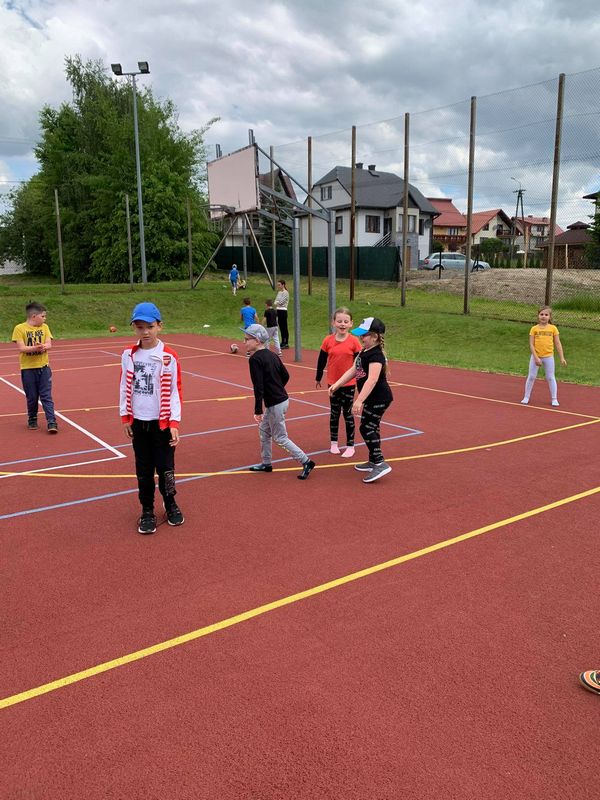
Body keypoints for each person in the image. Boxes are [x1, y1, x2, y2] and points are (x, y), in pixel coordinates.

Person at [119, 302, 184, 535]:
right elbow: (123, 386)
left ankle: (170, 502)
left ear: (159, 326)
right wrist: (125, 417)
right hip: (139, 422)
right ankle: (147, 509)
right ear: (134, 328)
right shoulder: (129, 355)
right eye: (140, 327)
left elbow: (175, 391)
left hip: (162, 423)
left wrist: (174, 422)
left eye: (150, 326)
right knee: (144, 470)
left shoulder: (168, 356)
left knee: (166, 468)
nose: (145, 332)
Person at [244, 323, 315, 480]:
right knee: (264, 431)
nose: (244, 342)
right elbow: (286, 375)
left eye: (247, 339)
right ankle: (266, 463)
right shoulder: (273, 355)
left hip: (275, 403)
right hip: (281, 400)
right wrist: (277, 388)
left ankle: (306, 461)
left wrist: (257, 410)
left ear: (257, 341)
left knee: (280, 437)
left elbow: (258, 387)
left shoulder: (255, 359)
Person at [329, 317, 393, 484]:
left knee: (366, 428)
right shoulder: (364, 351)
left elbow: (372, 380)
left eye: (364, 335)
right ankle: (373, 460)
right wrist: (337, 384)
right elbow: (353, 369)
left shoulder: (376, 355)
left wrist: (359, 401)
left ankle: (380, 463)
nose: (361, 337)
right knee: (371, 427)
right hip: (372, 398)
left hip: (379, 398)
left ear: (375, 337)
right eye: (360, 335)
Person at [315, 307, 362, 457]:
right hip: (333, 384)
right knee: (334, 414)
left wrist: (360, 382)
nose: (342, 324)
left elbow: (360, 364)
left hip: (349, 384)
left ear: (351, 324)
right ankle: (334, 443)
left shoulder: (354, 342)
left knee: (348, 414)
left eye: (346, 321)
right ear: (333, 322)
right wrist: (318, 376)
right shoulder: (327, 340)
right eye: (339, 321)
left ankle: (350, 445)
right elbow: (321, 359)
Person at [11, 301, 58, 433]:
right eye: (42, 316)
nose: (45, 319)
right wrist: (35, 348)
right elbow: (22, 348)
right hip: (28, 369)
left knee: (46, 396)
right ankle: (32, 418)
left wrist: (43, 346)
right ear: (33, 316)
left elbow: (49, 344)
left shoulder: (45, 327)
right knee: (32, 397)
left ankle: (51, 421)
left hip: (44, 368)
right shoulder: (19, 328)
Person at [521, 306, 567, 407]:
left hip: (548, 357)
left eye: (546, 315)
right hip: (536, 356)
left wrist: (562, 357)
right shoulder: (534, 329)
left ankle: (554, 399)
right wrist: (536, 358)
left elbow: (558, 343)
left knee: (550, 377)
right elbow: (531, 344)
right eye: (541, 314)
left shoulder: (553, 328)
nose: (543, 316)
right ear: (538, 316)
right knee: (531, 376)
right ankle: (526, 397)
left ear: (549, 317)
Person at [273, 279, 290, 349]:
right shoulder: (279, 292)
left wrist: (278, 302)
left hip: (283, 311)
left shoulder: (286, 292)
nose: (278, 286)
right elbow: (275, 301)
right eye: (278, 285)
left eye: (279, 285)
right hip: (278, 310)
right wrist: (277, 302)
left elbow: (281, 302)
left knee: (284, 327)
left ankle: (286, 342)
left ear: (283, 285)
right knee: (280, 327)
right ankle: (282, 341)